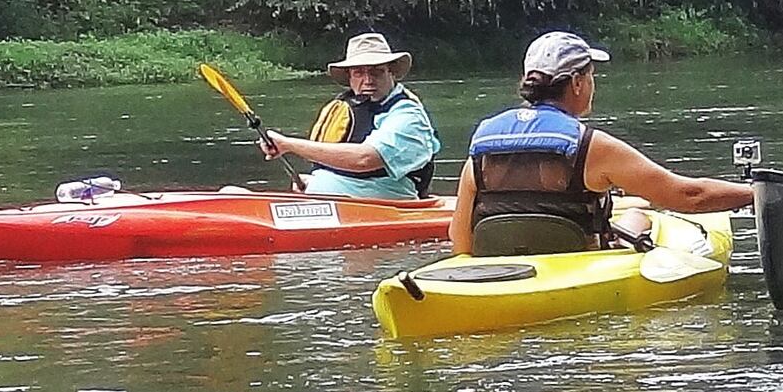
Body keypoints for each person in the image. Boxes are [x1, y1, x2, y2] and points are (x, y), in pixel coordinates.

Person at [449, 31, 757, 256]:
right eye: (592, 76)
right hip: (577, 269)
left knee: (636, 214)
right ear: (577, 82)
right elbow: (690, 196)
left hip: (501, 274)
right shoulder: (590, 146)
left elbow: (460, 242)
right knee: (642, 218)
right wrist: (757, 193)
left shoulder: (483, 148)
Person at [260, 31, 441, 199]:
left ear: (391, 72)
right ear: (350, 77)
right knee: (231, 192)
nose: (368, 80)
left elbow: (365, 159)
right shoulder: (352, 106)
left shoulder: (408, 115)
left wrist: (287, 144)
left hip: (388, 211)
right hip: (335, 205)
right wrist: (316, 182)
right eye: (359, 73)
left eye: (376, 71)